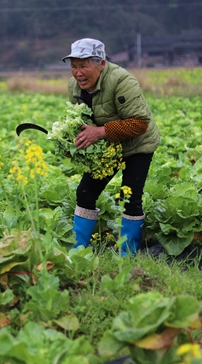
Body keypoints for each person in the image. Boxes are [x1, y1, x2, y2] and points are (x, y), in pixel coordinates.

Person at [62, 38, 160, 256]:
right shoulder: (74, 86)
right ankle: (78, 253)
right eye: (74, 66)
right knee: (85, 192)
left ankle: (128, 256)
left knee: (129, 198)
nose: (78, 73)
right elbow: (79, 119)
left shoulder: (122, 81)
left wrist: (100, 132)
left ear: (102, 64)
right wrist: (72, 142)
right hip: (108, 146)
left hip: (138, 144)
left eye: (84, 65)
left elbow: (140, 123)